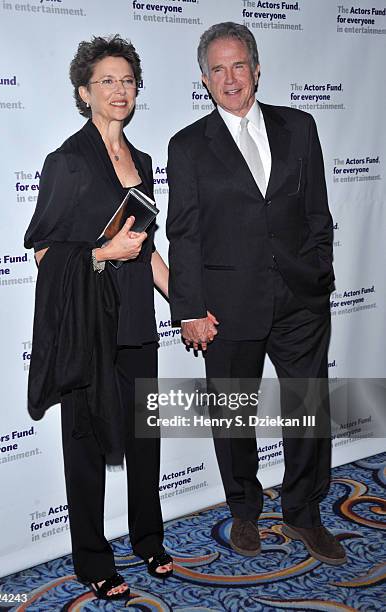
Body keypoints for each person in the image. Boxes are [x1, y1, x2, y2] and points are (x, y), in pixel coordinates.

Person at [166, 22, 347, 566]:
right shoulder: (188, 145)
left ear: (257, 68)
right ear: (204, 79)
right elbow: (185, 233)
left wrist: (319, 273)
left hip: (299, 301)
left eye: (238, 65)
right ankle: (244, 510)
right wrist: (191, 309)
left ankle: (303, 512)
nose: (230, 78)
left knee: (306, 410)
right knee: (233, 415)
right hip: (225, 308)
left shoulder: (300, 127)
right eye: (217, 69)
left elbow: (318, 211)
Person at [24, 35, 172, 601]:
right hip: (88, 323)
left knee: (146, 434)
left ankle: (149, 537)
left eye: (127, 80)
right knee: (85, 443)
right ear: (84, 92)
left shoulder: (145, 163)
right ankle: (92, 557)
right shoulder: (67, 161)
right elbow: (42, 250)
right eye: (107, 81)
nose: (119, 90)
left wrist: (186, 302)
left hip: (136, 318)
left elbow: (149, 250)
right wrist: (98, 254)